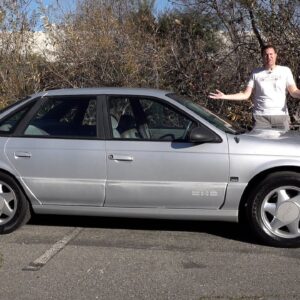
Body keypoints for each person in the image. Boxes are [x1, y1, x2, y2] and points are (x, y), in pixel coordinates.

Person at [209, 45, 300, 131]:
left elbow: (293, 91)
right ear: (262, 56)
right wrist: (225, 96)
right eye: (266, 55)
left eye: (271, 54)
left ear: (276, 55)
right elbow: (245, 94)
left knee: (282, 146)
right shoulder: (256, 73)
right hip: (261, 117)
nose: (269, 57)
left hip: (281, 116)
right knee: (260, 146)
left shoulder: (285, 71)